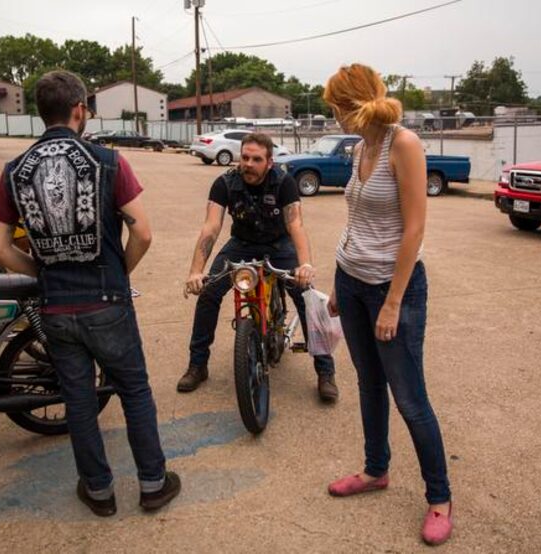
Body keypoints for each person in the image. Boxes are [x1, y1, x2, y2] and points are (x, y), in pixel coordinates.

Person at [0, 70, 179, 517]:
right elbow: (144, 233)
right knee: (133, 391)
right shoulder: (108, 161)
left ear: (41, 113)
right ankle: (152, 483)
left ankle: (98, 491)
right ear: (79, 110)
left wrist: (41, 274)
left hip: (56, 306)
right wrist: (118, 272)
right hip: (107, 300)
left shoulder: (14, 171)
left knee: (79, 400)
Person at [322, 63, 452, 546]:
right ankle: (376, 470)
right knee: (368, 383)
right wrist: (340, 283)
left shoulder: (405, 144)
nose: (331, 115)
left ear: (350, 105)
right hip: (351, 281)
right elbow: (356, 218)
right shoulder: (361, 147)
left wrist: (393, 302)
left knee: (410, 398)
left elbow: (414, 229)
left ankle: (440, 498)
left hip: (390, 288)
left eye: (334, 106)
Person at [181, 133, 338, 402]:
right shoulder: (225, 183)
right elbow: (211, 226)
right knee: (208, 293)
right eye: (245, 157)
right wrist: (196, 271)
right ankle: (198, 365)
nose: (249, 164)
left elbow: (295, 225)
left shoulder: (284, 182)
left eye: (256, 159)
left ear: (269, 162)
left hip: (279, 245)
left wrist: (305, 265)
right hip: (241, 244)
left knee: (306, 296)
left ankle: (325, 371)